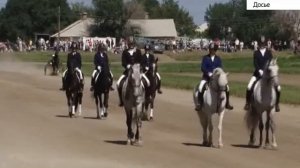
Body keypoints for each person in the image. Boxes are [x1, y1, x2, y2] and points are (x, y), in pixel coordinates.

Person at [244, 41, 281, 112]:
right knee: (249, 86)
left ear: (265, 44)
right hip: (257, 74)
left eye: (263, 44)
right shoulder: (256, 53)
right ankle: (248, 103)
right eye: (261, 44)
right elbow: (255, 63)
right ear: (259, 44)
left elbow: (271, 62)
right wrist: (259, 70)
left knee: (278, 88)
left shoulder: (269, 53)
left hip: (268, 75)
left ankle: (277, 104)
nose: (262, 45)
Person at [196, 42, 234, 111]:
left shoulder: (218, 58)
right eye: (211, 49)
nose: (212, 51)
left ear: (215, 50)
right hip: (206, 77)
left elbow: (220, 68)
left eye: (213, 49)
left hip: (216, 78)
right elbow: (203, 67)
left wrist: (220, 74)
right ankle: (199, 103)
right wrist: (208, 73)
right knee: (201, 86)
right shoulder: (205, 58)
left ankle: (227, 103)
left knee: (227, 87)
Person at [116, 40, 142, 106]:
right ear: (128, 45)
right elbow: (123, 62)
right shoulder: (125, 52)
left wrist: (137, 65)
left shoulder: (138, 52)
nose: (131, 45)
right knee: (118, 83)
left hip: (136, 72)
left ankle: (143, 98)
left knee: (144, 83)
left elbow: (140, 60)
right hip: (128, 71)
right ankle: (121, 100)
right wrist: (127, 65)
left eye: (132, 44)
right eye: (130, 44)